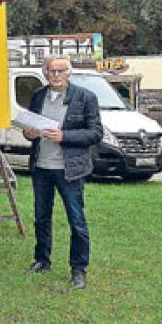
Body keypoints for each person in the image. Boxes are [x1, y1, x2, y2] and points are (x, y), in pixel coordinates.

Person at [22, 55, 101, 289]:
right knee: (41, 218)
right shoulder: (38, 96)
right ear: (45, 73)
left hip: (70, 170)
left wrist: (64, 136)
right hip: (42, 167)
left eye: (61, 70)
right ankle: (42, 260)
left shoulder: (85, 97)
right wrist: (29, 133)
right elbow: (30, 127)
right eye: (51, 70)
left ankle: (78, 269)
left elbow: (96, 133)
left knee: (76, 221)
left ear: (69, 72)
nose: (56, 75)